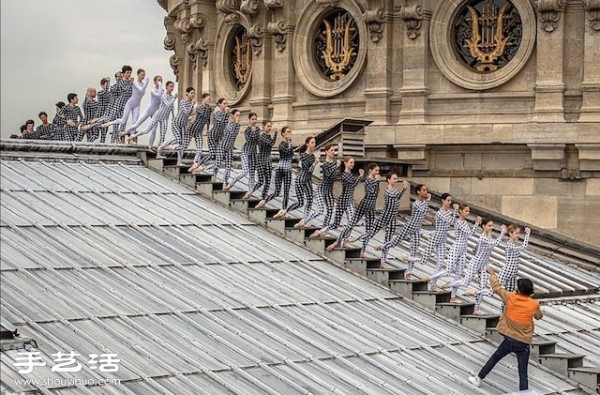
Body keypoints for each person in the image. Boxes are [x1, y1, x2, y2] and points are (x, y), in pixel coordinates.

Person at [468, 266, 543, 391]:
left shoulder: (511, 297)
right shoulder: (534, 304)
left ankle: (479, 378)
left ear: (519, 289)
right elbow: (539, 316)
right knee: (523, 372)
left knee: (495, 358)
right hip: (523, 343)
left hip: (509, 339)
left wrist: (492, 274)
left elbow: (497, 287)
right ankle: (523, 393)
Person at [429, 205, 481, 303]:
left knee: (459, 273)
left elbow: (468, 234)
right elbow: (469, 233)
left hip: (463, 249)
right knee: (448, 271)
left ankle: (453, 296)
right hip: (456, 248)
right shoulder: (458, 222)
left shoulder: (465, 222)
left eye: (468, 211)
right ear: (460, 211)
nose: (468, 213)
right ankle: (432, 281)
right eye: (466, 211)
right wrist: (477, 223)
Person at [455, 219, 506, 315]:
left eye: (492, 226)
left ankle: (476, 308)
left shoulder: (489, 236)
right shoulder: (483, 237)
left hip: (484, 264)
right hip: (476, 263)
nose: (491, 227)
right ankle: (451, 286)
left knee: (482, 286)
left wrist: (475, 249)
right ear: (484, 226)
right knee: (465, 282)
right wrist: (503, 232)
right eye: (489, 226)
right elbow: (496, 243)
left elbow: (479, 246)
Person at [357, 171, 409, 262]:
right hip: (384, 217)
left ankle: (383, 260)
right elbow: (396, 197)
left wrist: (403, 190)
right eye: (394, 178)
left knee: (388, 239)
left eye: (397, 179)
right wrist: (404, 189)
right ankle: (360, 247)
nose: (396, 180)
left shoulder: (394, 191)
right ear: (388, 180)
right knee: (370, 234)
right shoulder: (388, 191)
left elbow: (397, 198)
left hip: (392, 218)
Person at [327, 163, 380, 251]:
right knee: (351, 224)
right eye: (376, 170)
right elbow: (371, 192)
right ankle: (337, 242)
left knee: (369, 229)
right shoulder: (369, 180)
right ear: (370, 171)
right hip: (365, 204)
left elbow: (376, 193)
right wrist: (377, 182)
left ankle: (362, 250)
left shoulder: (374, 180)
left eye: (378, 170)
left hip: (372, 205)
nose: (378, 172)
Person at [377, 184, 431, 271]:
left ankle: (409, 272)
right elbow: (423, 210)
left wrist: (427, 201)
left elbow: (424, 212)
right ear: (418, 192)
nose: (426, 192)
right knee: (395, 242)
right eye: (424, 190)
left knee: (414, 250)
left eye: (426, 191)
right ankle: (383, 246)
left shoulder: (424, 203)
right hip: (410, 226)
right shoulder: (416, 204)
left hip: (417, 228)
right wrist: (428, 200)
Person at [312, 157, 363, 238]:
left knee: (351, 222)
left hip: (349, 201)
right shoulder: (344, 175)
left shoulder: (350, 175)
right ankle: (320, 232)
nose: (353, 164)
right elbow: (352, 186)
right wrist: (359, 177)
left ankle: (344, 240)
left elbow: (353, 186)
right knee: (336, 224)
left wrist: (360, 177)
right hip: (343, 201)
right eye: (351, 162)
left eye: (353, 163)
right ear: (346, 163)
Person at [278, 136, 319, 224]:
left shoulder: (312, 156)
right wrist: (315, 164)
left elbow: (310, 173)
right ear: (307, 144)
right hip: (301, 180)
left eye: (314, 142)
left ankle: (304, 220)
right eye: (312, 142)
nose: (314, 144)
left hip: (307, 180)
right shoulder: (303, 155)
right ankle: (285, 211)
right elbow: (308, 170)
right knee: (300, 202)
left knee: (310, 200)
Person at [418, 194, 458, 274]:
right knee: (424, 259)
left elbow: (452, 222)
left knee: (440, 262)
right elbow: (451, 221)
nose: (450, 202)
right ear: (443, 201)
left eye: (450, 201)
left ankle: (433, 284)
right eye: (448, 200)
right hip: (435, 238)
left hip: (442, 239)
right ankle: (409, 259)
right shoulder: (440, 213)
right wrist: (456, 210)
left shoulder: (449, 212)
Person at [130, 81, 176, 150]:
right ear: (166, 87)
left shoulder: (172, 97)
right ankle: (134, 136)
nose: (172, 88)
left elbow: (172, 107)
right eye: (170, 86)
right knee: (147, 130)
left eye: (173, 86)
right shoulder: (163, 95)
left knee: (163, 135)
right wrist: (174, 98)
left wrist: (173, 116)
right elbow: (168, 104)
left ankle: (159, 151)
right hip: (158, 115)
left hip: (165, 118)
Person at [257, 126, 293, 212]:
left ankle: (284, 210)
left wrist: (290, 142)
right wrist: (289, 142)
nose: (290, 133)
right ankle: (263, 201)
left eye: (290, 132)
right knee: (277, 191)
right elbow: (287, 152)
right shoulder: (281, 144)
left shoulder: (289, 144)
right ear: (283, 134)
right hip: (280, 169)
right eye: (288, 132)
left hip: (287, 169)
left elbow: (291, 153)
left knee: (286, 192)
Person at [305, 144, 340, 228]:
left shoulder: (334, 164)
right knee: (320, 210)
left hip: (329, 191)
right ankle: (305, 221)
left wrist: (335, 168)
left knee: (330, 210)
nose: (333, 152)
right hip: (321, 190)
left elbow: (335, 176)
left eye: (334, 150)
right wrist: (337, 166)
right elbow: (328, 174)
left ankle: (323, 229)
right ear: (326, 152)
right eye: (331, 150)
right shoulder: (325, 164)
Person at [157, 87, 195, 163]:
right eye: (191, 93)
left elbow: (189, 114)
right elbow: (186, 112)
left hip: (183, 125)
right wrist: (192, 105)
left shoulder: (191, 104)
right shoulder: (182, 102)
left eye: (194, 93)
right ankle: (163, 146)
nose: (193, 95)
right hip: (176, 123)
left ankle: (179, 161)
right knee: (178, 141)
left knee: (183, 144)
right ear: (187, 94)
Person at [226, 112, 260, 196]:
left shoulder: (258, 129)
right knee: (245, 171)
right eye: (253, 119)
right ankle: (231, 183)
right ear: (249, 120)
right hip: (245, 152)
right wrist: (251, 129)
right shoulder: (247, 130)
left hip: (253, 153)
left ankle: (249, 193)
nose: (254, 121)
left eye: (255, 119)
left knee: (252, 174)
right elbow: (250, 139)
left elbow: (257, 140)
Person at [197, 98, 229, 169]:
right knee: (212, 155)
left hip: (220, 136)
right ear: (219, 104)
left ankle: (211, 168)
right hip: (213, 136)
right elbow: (220, 122)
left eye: (227, 104)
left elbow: (225, 125)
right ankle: (198, 164)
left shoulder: (225, 114)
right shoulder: (217, 112)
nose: (226, 105)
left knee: (221, 154)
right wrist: (226, 114)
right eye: (224, 104)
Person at [500, 225, 531, 292]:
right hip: (508, 270)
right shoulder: (510, 245)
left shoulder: (513, 244)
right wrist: (527, 234)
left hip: (513, 271)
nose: (518, 235)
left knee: (510, 292)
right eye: (516, 233)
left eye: (518, 233)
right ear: (510, 233)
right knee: (499, 289)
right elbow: (523, 247)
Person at [252, 120, 278, 202]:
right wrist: (275, 134)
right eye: (268, 126)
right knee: (260, 181)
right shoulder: (261, 137)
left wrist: (275, 134)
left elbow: (272, 143)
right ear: (263, 127)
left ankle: (263, 197)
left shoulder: (269, 137)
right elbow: (270, 143)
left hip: (268, 160)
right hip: (261, 159)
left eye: (270, 126)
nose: (269, 128)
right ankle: (250, 192)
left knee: (268, 181)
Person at [187, 93, 212, 173]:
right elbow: (197, 115)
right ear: (203, 99)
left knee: (199, 148)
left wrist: (207, 129)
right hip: (193, 128)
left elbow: (208, 120)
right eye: (208, 98)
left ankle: (194, 164)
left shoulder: (209, 109)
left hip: (199, 130)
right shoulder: (199, 108)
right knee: (184, 145)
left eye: (210, 99)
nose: (209, 100)